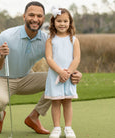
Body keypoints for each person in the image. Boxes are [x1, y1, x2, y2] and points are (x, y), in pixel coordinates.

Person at [0, 1, 82, 135]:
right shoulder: (7, 35)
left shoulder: (47, 39)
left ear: (43, 18)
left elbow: (62, 60)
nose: (35, 19)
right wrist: (2, 57)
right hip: (2, 78)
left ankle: (34, 117)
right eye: (31, 15)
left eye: (39, 16)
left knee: (56, 82)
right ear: (24, 16)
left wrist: (75, 74)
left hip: (26, 77)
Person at [44, 7, 80, 138]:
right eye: (59, 21)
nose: (62, 24)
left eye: (66, 21)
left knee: (67, 102)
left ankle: (68, 128)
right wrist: (60, 71)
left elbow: (76, 58)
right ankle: (57, 128)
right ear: (53, 22)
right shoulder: (50, 40)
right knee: (56, 102)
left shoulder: (74, 40)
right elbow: (49, 58)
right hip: (55, 75)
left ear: (70, 22)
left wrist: (68, 73)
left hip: (68, 76)